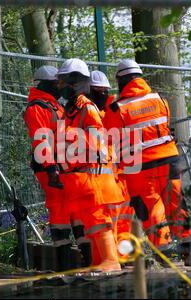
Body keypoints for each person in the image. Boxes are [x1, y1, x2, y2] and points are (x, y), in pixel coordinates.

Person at [103, 59, 191, 267]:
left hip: (141, 168)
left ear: (121, 80)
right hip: (170, 161)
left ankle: (166, 256)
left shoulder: (117, 109)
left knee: (151, 210)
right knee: (177, 204)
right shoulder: (160, 99)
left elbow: (109, 138)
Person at [57, 58, 123, 272]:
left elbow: (97, 140)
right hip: (80, 177)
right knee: (90, 222)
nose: (61, 85)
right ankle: (99, 262)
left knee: (98, 218)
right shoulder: (71, 111)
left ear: (76, 82)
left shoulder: (87, 108)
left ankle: (110, 261)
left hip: (93, 175)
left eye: (64, 80)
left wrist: (68, 136)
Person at [23, 65, 91, 270]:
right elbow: (41, 141)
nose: (60, 87)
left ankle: (85, 260)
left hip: (63, 168)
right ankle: (64, 264)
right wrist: (51, 169)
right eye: (56, 83)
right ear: (45, 85)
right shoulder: (38, 107)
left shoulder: (54, 106)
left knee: (75, 211)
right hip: (50, 169)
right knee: (60, 211)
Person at [89, 70, 134, 258]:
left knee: (124, 220)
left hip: (121, 175)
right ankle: (112, 259)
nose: (102, 93)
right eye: (98, 90)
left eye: (104, 90)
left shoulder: (114, 111)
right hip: (109, 177)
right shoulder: (93, 112)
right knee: (111, 220)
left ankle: (124, 258)